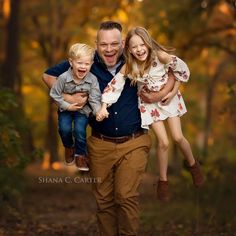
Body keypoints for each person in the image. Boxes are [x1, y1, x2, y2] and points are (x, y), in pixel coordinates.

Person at [42, 21, 175, 236]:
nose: (109, 49)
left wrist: (162, 93)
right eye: (104, 44)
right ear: (96, 45)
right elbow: (48, 76)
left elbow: (173, 69)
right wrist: (66, 97)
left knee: (125, 196)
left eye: (114, 44)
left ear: (123, 44)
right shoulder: (85, 62)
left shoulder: (136, 58)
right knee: (104, 202)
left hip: (134, 141)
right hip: (99, 144)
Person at [97, 26, 204, 202]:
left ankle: (193, 165)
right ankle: (163, 182)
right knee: (163, 142)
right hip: (149, 104)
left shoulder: (160, 56)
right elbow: (114, 86)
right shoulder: (130, 66)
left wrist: (171, 92)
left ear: (148, 43)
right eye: (134, 47)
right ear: (128, 49)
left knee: (178, 137)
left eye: (142, 45)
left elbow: (181, 71)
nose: (139, 50)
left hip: (169, 99)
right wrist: (103, 106)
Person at [50, 43, 101, 171]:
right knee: (64, 129)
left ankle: (80, 156)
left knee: (79, 131)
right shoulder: (62, 78)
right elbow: (54, 94)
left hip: (82, 111)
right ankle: (68, 147)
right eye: (79, 63)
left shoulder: (93, 80)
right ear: (71, 62)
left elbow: (95, 98)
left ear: (91, 64)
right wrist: (67, 106)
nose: (83, 66)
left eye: (86, 64)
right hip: (65, 110)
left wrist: (98, 111)